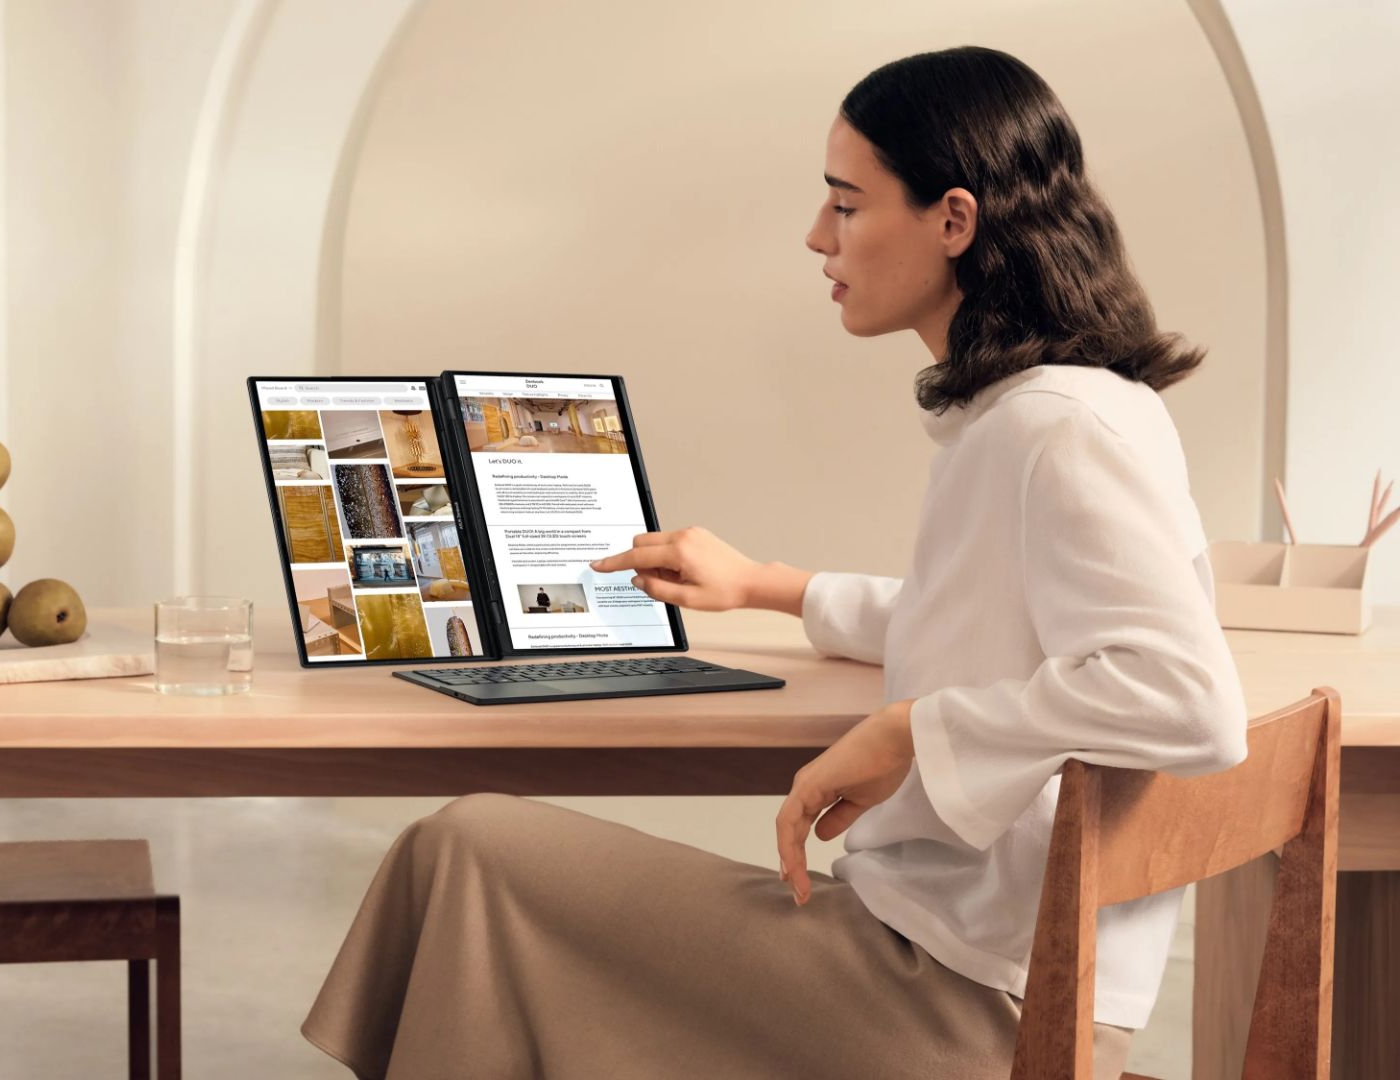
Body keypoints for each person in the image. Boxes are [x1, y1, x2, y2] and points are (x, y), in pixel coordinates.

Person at [301, 45, 1246, 1080]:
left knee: (468, 854)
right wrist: (769, 587)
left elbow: (1186, 696)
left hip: (965, 1003)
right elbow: (987, 620)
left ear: (954, 221)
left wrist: (909, 731)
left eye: (846, 204)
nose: (816, 235)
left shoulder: (1053, 428)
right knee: (498, 887)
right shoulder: (1073, 407)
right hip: (980, 969)